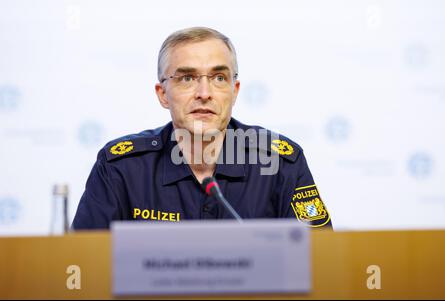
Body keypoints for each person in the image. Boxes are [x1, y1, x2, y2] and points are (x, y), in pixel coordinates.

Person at [72, 27, 332, 229]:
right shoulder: (120, 168)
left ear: (234, 90)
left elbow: (319, 264)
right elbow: (82, 267)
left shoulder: (281, 163)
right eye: (187, 78)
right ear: (163, 94)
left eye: (219, 78)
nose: (204, 93)